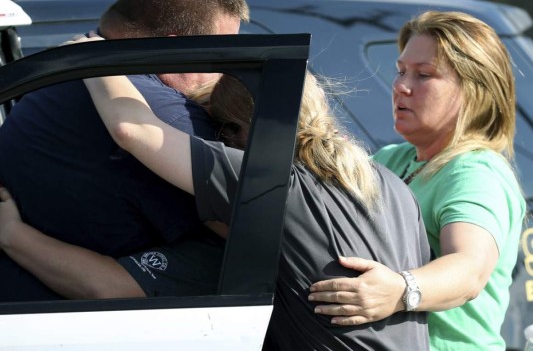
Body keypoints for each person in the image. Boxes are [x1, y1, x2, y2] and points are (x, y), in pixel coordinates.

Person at [1, 67, 430, 349]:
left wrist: (89, 59)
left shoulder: (269, 182)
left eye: (214, 134)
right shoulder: (393, 185)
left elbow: (132, 129)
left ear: (237, 132)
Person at [0, 0, 249, 301]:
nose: (224, 76)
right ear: (174, 48)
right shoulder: (164, 117)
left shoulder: (53, 75)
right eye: (221, 57)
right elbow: (267, 234)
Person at [307, 11, 526, 351]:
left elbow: (469, 271)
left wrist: (399, 290)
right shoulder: (392, 159)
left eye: (424, 75)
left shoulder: (475, 172)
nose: (400, 86)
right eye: (401, 71)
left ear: (475, 90)